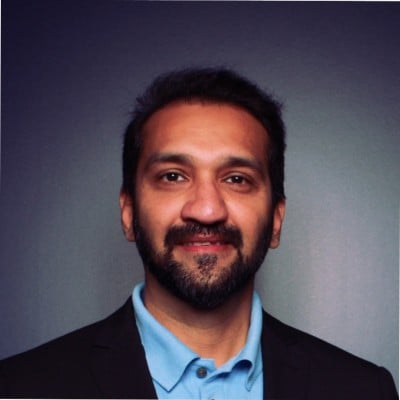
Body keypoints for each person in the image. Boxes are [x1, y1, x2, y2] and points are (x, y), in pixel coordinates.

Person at [0, 67, 397, 399]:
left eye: (237, 179)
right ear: (128, 211)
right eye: (173, 176)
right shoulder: (19, 388)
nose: (207, 210)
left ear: (276, 220)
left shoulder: (364, 391)